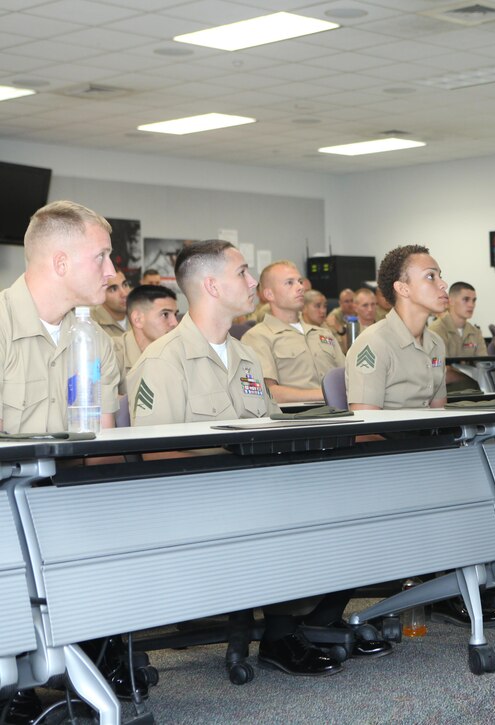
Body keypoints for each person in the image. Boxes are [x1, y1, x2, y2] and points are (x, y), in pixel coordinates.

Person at [129, 240, 389, 676]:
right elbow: (154, 450)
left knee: (355, 505)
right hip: (202, 497)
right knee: (303, 514)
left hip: (257, 489)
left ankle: (311, 621)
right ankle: (282, 632)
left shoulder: (245, 356)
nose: (252, 281)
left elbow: (269, 429)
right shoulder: (163, 360)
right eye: (244, 273)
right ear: (211, 285)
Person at [346, 245, 495, 624]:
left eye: (440, 275)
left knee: (491, 473)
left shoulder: (434, 343)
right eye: (431, 277)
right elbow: (365, 427)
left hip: (427, 450)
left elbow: (437, 411)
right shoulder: (373, 344)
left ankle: (485, 577)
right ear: (402, 289)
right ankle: (451, 582)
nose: (443, 285)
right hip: (390, 458)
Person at [0, 201, 123, 720]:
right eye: (102, 258)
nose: (114, 273)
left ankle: (82, 658)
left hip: (63, 512)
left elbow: (102, 449)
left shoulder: (97, 341)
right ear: (59, 263)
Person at [241, 261, 345, 404]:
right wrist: (327, 393)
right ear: (269, 294)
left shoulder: (323, 333)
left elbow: (347, 377)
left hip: (341, 413)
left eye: (300, 281)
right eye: (289, 283)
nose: (300, 287)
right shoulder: (258, 337)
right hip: (296, 418)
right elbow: (268, 392)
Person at [113, 284, 180, 394]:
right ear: (138, 319)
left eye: (175, 314)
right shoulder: (112, 354)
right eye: (165, 314)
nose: (175, 323)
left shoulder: (177, 351)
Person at [91, 271, 131, 338]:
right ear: (99, 294)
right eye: (113, 289)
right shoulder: (91, 323)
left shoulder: (141, 315)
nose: (124, 294)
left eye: (125, 285)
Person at [325, 287, 357, 353]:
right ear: (340, 303)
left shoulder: (360, 312)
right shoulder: (334, 316)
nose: (350, 304)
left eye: (352, 300)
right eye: (346, 301)